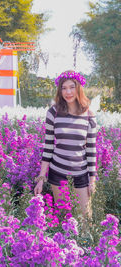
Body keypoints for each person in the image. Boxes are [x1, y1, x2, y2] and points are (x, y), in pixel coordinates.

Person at [34, 70, 97, 218]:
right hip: (58, 173)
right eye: (64, 88)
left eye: (71, 87)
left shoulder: (89, 114)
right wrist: (41, 178)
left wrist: (92, 180)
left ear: (79, 88)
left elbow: (91, 150)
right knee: (63, 218)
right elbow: (48, 146)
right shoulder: (53, 112)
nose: (68, 92)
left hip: (80, 174)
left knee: (86, 219)